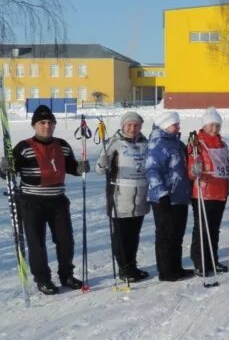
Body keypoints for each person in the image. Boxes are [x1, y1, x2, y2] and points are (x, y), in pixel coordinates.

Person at [0, 105, 86, 295]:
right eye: (42, 122)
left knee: (65, 240)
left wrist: (80, 168)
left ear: (54, 124)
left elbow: (71, 167)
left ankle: (66, 275)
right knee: (36, 242)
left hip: (58, 200)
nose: (46, 126)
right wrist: (4, 167)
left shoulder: (62, 145)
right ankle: (43, 279)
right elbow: (9, 173)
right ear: (34, 125)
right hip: (32, 201)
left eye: (50, 122)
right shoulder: (24, 147)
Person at [95, 111, 150, 282]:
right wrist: (103, 162)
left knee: (134, 235)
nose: (133, 128)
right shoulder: (114, 143)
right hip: (120, 198)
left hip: (140, 198)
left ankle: (131, 266)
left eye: (136, 125)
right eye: (129, 125)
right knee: (121, 236)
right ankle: (124, 268)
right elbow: (99, 170)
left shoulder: (145, 143)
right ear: (123, 126)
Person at [146, 111, 194, 282]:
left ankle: (176, 266)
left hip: (180, 196)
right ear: (166, 125)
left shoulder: (177, 143)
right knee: (166, 234)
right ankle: (166, 271)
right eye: (176, 124)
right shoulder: (157, 145)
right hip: (164, 198)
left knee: (177, 234)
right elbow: (152, 170)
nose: (179, 127)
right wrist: (161, 193)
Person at [187, 107, 229, 276]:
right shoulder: (198, 143)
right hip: (204, 191)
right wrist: (194, 168)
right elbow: (191, 170)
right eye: (211, 125)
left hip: (220, 190)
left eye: (217, 126)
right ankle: (199, 262)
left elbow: (226, 164)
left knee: (214, 228)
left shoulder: (223, 143)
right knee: (202, 228)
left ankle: (212, 259)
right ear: (204, 126)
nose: (214, 129)